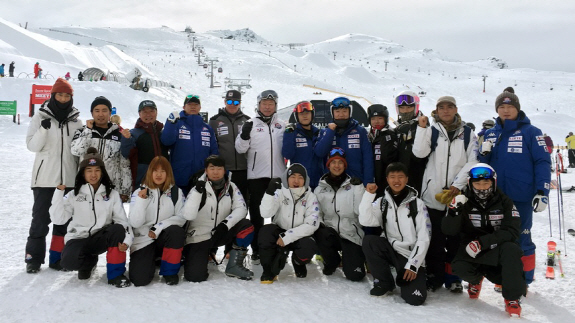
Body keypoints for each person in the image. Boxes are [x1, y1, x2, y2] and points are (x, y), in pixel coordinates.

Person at [479, 87, 551, 286]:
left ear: (517, 108)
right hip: (494, 197)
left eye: (510, 106)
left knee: (522, 240)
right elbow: (481, 167)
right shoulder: (490, 134)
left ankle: (524, 280)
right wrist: (483, 154)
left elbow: (542, 162)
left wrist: (542, 191)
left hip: (522, 196)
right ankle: (501, 277)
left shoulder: (531, 132)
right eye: (501, 106)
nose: (505, 110)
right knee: (497, 238)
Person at [412, 95, 478, 292]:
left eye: (450, 107)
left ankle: (454, 277)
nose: (446, 111)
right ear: (436, 111)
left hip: (458, 196)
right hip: (433, 195)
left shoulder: (467, 133)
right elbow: (419, 153)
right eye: (442, 107)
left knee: (456, 240)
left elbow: (472, 161)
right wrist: (422, 129)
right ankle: (435, 275)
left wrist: (457, 185)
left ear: (456, 109)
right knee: (435, 240)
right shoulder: (431, 131)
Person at [442, 163, 525, 317]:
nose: (481, 187)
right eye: (477, 183)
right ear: (470, 184)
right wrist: (453, 213)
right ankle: (475, 279)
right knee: (459, 266)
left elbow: (512, 230)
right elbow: (449, 231)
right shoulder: (463, 200)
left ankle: (512, 298)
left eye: (486, 183)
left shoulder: (505, 202)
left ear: (493, 183)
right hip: (472, 248)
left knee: (512, 251)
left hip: (497, 246)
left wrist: (484, 242)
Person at [50, 148, 133, 288]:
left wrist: (127, 240)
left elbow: (122, 220)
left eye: (97, 170)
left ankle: (116, 275)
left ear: (102, 172)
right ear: (83, 173)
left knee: (117, 229)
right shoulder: (73, 195)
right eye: (89, 170)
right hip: (78, 238)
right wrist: (58, 193)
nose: (93, 174)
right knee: (68, 262)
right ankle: (88, 262)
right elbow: (58, 220)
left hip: (100, 238)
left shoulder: (111, 194)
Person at [25, 78, 83, 273]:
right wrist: (43, 129)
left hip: (68, 180)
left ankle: (57, 259)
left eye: (67, 95)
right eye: (60, 94)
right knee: (40, 219)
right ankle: (33, 259)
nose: (63, 98)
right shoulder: (39, 117)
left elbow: (79, 150)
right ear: (53, 95)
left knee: (63, 221)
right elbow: (32, 146)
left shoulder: (76, 121)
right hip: (44, 179)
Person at [359, 162, 431, 306]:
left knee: (415, 298)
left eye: (400, 177)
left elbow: (424, 237)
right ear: (387, 179)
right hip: (391, 249)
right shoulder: (382, 202)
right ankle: (384, 283)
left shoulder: (418, 204)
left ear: (406, 179)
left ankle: (410, 274)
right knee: (369, 241)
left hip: (409, 255)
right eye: (392, 177)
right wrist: (368, 195)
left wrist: (413, 265)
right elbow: (365, 220)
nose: (396, 181)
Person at [182, 155, 254, 282]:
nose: (216, 172)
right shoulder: (197, 188)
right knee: (195, 277)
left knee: (246, 226)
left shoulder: (231, 187)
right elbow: (188, 215)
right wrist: (197, 193)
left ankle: (234, 266)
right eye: (212, 168)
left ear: (224, 170)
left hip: (221, 231)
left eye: (219, 168)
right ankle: (200, 255)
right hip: (200, 236)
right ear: (206, 170)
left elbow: (241, 209)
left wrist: (226, 224)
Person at [235, 89, 286, 263]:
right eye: (264, 104)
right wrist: (244, 134)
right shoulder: (250, 123)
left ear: (275, 106)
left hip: (278, 176)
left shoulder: (282, 125)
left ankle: (277, 247)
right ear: (258, 105)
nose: (267, 107)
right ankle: (257, 248)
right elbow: (240, 149)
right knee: (256, 214)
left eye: (270, 104)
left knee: (277, 214)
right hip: (256, 176)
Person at [128, 156, 186, 286]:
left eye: (163, 171)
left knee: (176, 231)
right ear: (150, 172)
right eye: (155, 170)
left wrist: (158, 227)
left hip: (164, 237)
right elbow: (135, 223)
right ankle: (150, 259)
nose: (159, 174)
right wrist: (141, 201)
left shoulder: (176, 192)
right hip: (143, 239)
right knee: (139, 280)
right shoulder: (139, 192)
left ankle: (170, 272)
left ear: (168, 173)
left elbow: (181, 218)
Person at [258, 163, 320, 283]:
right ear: (286, 179)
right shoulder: (279, 193)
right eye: (293, 177)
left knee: (309, 245)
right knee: (265, 232)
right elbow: (265, 213)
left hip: (299, 235)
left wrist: (287, 237)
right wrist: (269, 192)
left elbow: (311, 224)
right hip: (280, 232)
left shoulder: (311, 197)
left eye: (300, 177)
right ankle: (268, 269)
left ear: (305, 180)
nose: (296, 180)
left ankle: (298, 263)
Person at [314, 147, 366, 281]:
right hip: (330, 234)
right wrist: (320, 225)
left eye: (340, 162)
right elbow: (316, 213)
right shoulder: (320, 188)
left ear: (345, 165)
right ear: (328, 165)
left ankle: (350, 257)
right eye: (333, 162)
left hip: (350, 234)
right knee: (319, 232)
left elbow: (359, 212)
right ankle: (332, 260)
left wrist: (360, 189)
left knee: (356, 275)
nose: (337, 166)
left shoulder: (355, 186)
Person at [71, 96, 132, 202]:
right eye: (97, 110)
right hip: (86, 188)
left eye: (104, 110)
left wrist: (125, 190)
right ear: (92, 113)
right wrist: (88, 131)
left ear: (109, 113)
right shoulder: (82, 131)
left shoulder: (118, 134)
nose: (100, 114)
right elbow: (76, 150)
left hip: (111, 189)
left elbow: (124, 163)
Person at [161, 94, 218, 195]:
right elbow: (166, 141)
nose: (193, 106)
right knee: (179, 208)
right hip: (180, 176)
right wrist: (170, 123)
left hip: (201, 177)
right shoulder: (177, 124)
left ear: (200, 108)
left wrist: (213, 171)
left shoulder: (207, 128)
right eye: (190, 104)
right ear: (184, 107)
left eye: (196, 104)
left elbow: (214, 152)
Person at [315, 97, 375, 187]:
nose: (341, 115)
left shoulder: (360, 131)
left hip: (355, 181)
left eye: (344, 111)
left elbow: (368, 158)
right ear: (332, 113)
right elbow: (320, 152)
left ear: (349, 112)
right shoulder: (325, 132)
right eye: (337, 111)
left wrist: (368, 182)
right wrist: (330, 132)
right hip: (332, 183)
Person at [208, 90, 250, 197]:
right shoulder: (214, 121)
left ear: (240, 103)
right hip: (224, 170)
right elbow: (211, 145)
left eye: (236, 103)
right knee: (224, 202)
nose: (232, 105)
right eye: (229, 102)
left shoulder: (248, 121)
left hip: (243, 169)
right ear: (225, 102)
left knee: (242, 201)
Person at [120, 100, 169, 191]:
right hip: (142, 182)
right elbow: (126, 153)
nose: (148, 114)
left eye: (151, 111)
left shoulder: (163, 133)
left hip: (164, 181)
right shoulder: (134, 133)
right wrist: (126, 139)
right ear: (139, 114)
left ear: (156, 112)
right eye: (145, 112)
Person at [393, 91, 428, 194]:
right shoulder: (397, 129)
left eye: (409, 107)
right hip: (401, 178)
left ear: (416, 107)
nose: (405, 111)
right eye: (402, 108)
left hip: (420, 178)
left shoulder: (424, 127)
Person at [282, 101, 323, 190]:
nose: (305, 116)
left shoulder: (318, 133)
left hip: (318, 183)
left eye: (307, 113)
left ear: (312, 114)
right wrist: (288, 134)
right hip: (300, 183)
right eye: (301, 114)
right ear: (297, 116)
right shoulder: (292, 132)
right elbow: (288, 154)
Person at [366, 104, 398, 196]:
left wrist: (385, 137)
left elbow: (389, 158)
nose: (376, 122)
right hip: (371, 180)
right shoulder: (368, 136)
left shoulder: (390, 135)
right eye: (373, 119)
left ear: (385, 119)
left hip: (385, 180)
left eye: (380, 118)